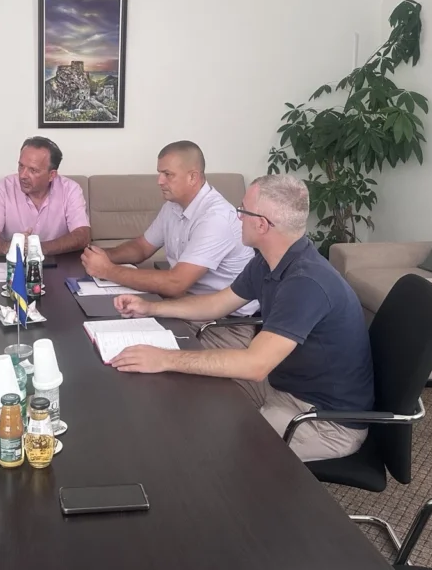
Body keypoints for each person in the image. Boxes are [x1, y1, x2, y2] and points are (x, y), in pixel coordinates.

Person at [108, 174, 374, 462]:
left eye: (242, 210)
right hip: (282, 387)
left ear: (262, 224)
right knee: (185, 396)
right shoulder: (268, 261)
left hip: (323, 420)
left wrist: (164, 358)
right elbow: (216, 304)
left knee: (216, 453)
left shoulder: (306, 282)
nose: (237, 217)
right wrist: (150, 308)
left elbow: (254, 365)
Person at [80, 141, 258, 349]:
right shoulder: (173, 206)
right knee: (103, 328)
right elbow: (141, 247)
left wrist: (107, 270)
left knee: (127, 346)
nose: (159, 181)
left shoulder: (215, 218)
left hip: (223, 326)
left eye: (167, 174)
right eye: (159, 173)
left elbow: (176, 283)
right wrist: (101, 255)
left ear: (193, 177)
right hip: (184, 307)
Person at [0, 136, 91, 256]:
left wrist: (35, 248)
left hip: (57, 261)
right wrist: (12, 248)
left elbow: (82, 235)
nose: (23, 175)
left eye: (33, 170)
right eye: (21, 166)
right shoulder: (3, 188)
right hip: (14, 262)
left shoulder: (70, 190)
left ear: (51, 175)